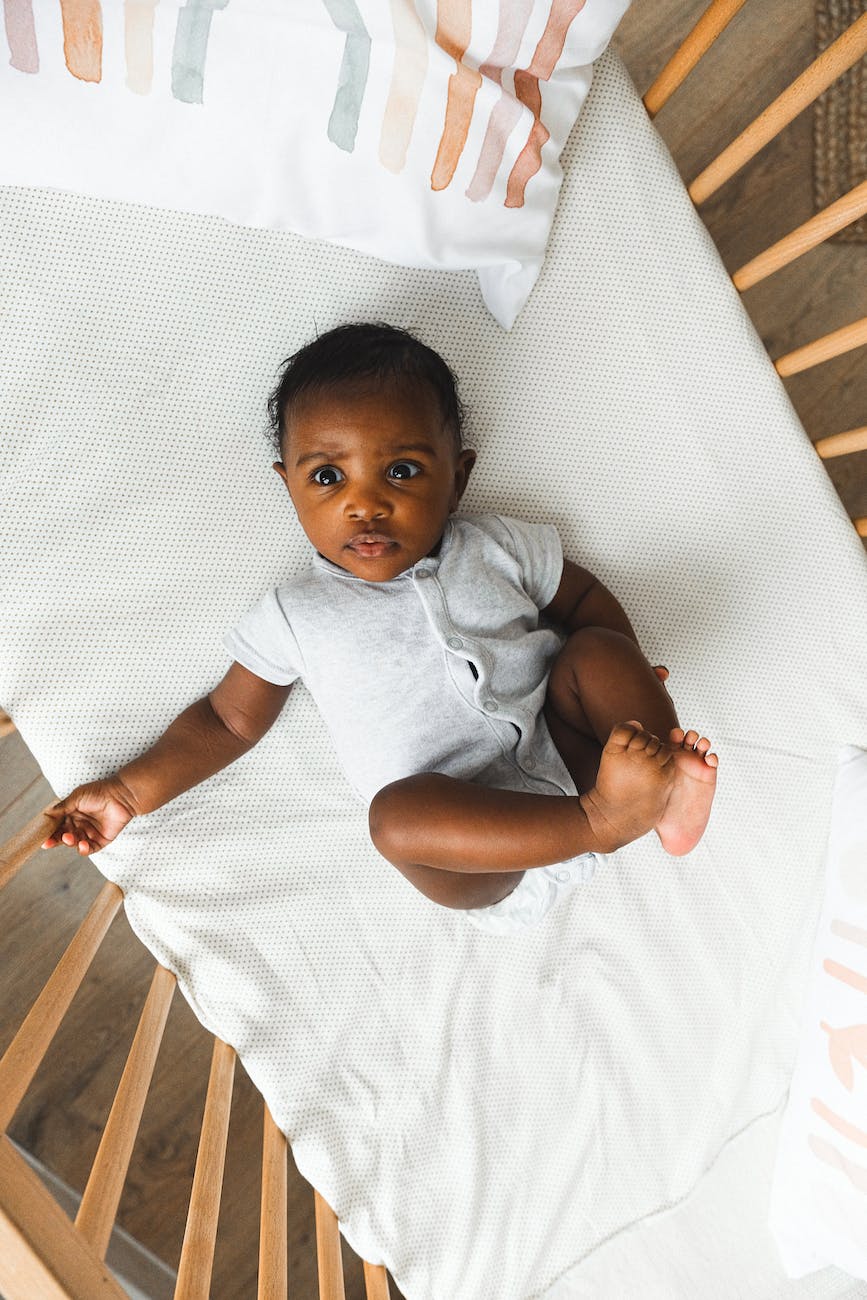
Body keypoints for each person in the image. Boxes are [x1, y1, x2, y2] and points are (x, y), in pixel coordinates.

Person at [42, 322, 718, 932]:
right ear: (289, 487)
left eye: (400, 471)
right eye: (329, 477)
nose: (365, 504)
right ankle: (605, 823)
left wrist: (626, 682)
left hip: (577, 757)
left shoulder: (494, 546)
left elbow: (584, 599)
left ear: (457, 480)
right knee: (395, 819)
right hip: (478, 858)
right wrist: (128, 793)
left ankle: (666, 793)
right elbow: (227, 721)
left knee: (597, 651)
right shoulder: (295, 613)